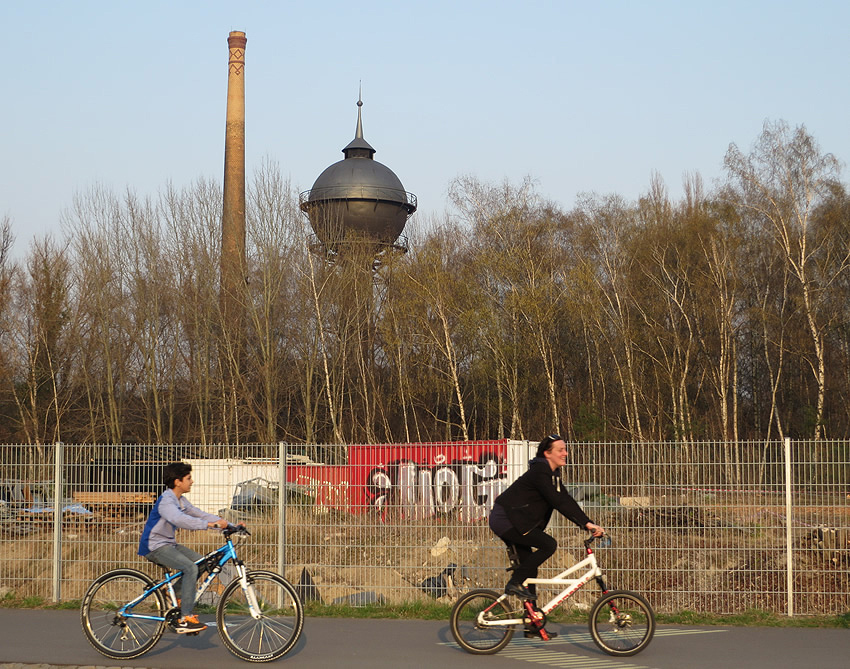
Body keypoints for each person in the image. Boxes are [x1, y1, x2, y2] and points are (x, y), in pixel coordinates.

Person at [489, 435, 605, 639]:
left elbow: (565, 499)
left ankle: (531, 622)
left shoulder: (552, 474)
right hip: (506, 518)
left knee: (529, 569)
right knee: (549, 544)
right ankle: (514, 583)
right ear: (547, 453)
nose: (565, 453)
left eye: (565, 449)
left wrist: (586, 522)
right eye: (560, 449)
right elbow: (557, 501)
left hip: (516, 520)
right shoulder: (540, 472)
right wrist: (586, 524)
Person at [138, 462, 230, 633]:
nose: (192, 481)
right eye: (189, 478)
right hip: (154, 546)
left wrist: (229, 525)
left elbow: (199, 513)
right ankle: (185, 617)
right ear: (177, 481)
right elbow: (179, 519)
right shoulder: (166, 501)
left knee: (202, 562)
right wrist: (209, 525)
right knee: (190, 568)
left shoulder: (180, 500)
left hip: (168, 544)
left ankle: (172, 592)